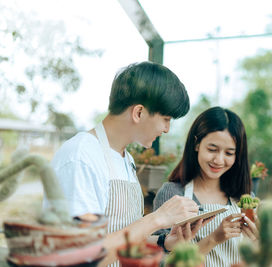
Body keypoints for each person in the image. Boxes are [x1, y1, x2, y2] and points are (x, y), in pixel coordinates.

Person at [44, 61, 206, 266]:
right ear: (138, 112)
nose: (166, 129)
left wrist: (165, 241)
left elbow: (124, 234)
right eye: (166, 119)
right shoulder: (80, 157)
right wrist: (158, 218)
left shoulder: (125, 159)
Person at [153, 106, 259, 267]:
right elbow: (162, 262)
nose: (219, 160)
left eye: (229, 153)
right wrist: (213, 239)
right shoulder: (173, 193)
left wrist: (256, 240)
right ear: (196, 144)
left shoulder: (245, 200)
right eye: (212, 149)